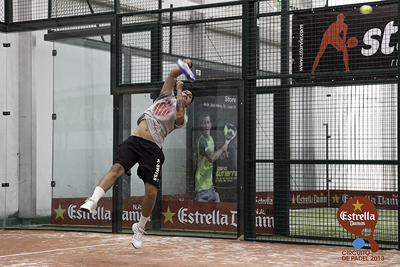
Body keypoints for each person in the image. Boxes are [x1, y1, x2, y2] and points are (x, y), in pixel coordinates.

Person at [79, 59, 194, 249]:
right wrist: (185, 65)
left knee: (151, 193)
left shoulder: (182, 117)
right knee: (116, 168)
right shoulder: (165, 96)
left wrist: (181, 91)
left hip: (153, 149)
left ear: (188, 103)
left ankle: (139, 228)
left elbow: (179, 115)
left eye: (189, 96)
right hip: (135, 141)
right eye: (186, 93)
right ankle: (93, 200)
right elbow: (174, 75)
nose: (187, 95)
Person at [193, 112, 228, 202]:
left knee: (218, 213)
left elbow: (217, 154)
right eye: (204, 123)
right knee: (201, 216)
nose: (206, 126)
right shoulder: (202, 141)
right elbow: (211, 158)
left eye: (208, 123)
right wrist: (223, 148)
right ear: (201, 125)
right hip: (201, 192)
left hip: (211, 190)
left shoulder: (211, 139)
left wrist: (222, 154)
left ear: (211, 125)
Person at [311, 13, 349, 78]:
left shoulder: (345, 26)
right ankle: (312, 72)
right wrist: (337, 46)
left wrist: (342, 45)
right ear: (338, 19)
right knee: (320, 53)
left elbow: (344, 37)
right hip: (327, 36)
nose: (342, 20)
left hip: (334, 37)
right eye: (341, 18)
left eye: (343, 18)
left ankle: (347, 69)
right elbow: (331, 37)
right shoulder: (333, 25)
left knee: (344, 50)